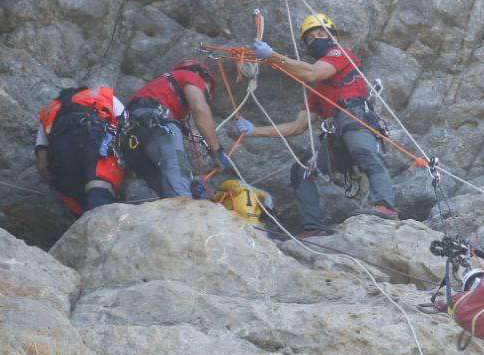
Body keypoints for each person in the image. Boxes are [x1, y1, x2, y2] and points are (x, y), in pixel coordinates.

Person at [236, 13, 399, 238]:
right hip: (337, 137)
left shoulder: (340, 54)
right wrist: (254, 130)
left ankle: (385, 206)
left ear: (333, 37)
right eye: (311, 38)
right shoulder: (317, 92)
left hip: (354, 117)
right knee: (302, 171)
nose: (316, 39)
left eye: (321, 34)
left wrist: (272, 56)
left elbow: (312, 72)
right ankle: (312, 227)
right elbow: (297, 127)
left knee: (365, 153)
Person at [123, 60, 230, 199]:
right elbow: (199, 109)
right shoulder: (190, 76)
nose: (205, 96)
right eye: (206, 93)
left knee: (161, 186)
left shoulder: (162, 90)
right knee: (177, 169)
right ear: (199, 73)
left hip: (131, 135)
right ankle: (184, 211)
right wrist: (217, 151)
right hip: (154, 122)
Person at [35, 85, 125, 215]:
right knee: (99, 198)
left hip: (62, 155)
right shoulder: (103, 96)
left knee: (81, 207)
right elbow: (129, 130)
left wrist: (59, 183)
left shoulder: (50, 110)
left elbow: (42, 165)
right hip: (95, 143)